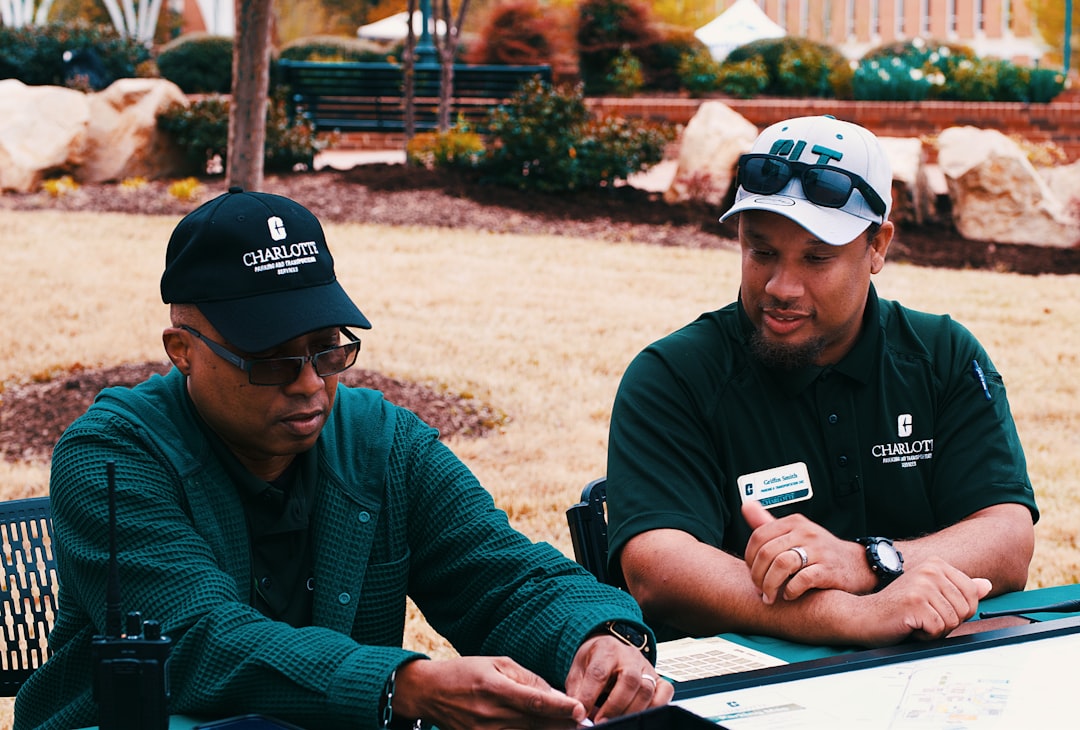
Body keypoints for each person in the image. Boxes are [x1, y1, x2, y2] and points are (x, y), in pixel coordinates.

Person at [14, 187, 672, 730]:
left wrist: (598, 638)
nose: (308, 383)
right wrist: (402, 684)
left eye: (328, 348)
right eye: (270, 358)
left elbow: (502, 578)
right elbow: (195, 640)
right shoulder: (111, 454)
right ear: (181, 350)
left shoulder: (383, 444)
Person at [605, 115, 1039, 649]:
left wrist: (866, 562)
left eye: (817, 258)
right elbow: (658, 568)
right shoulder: (674, 375)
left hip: (930, 682)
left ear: (877, 246)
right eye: (761, 252)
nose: (781, 287)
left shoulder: (943, 356)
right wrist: (856, 616)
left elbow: (1008, 537)